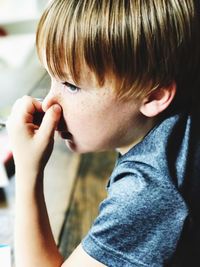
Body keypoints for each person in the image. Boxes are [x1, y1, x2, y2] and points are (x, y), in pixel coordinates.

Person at [6, 0, 200, 266]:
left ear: (154, 95)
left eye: (71, 85)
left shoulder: (148, 193)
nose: (49, 103)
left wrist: (28, 168)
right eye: (50, 77)